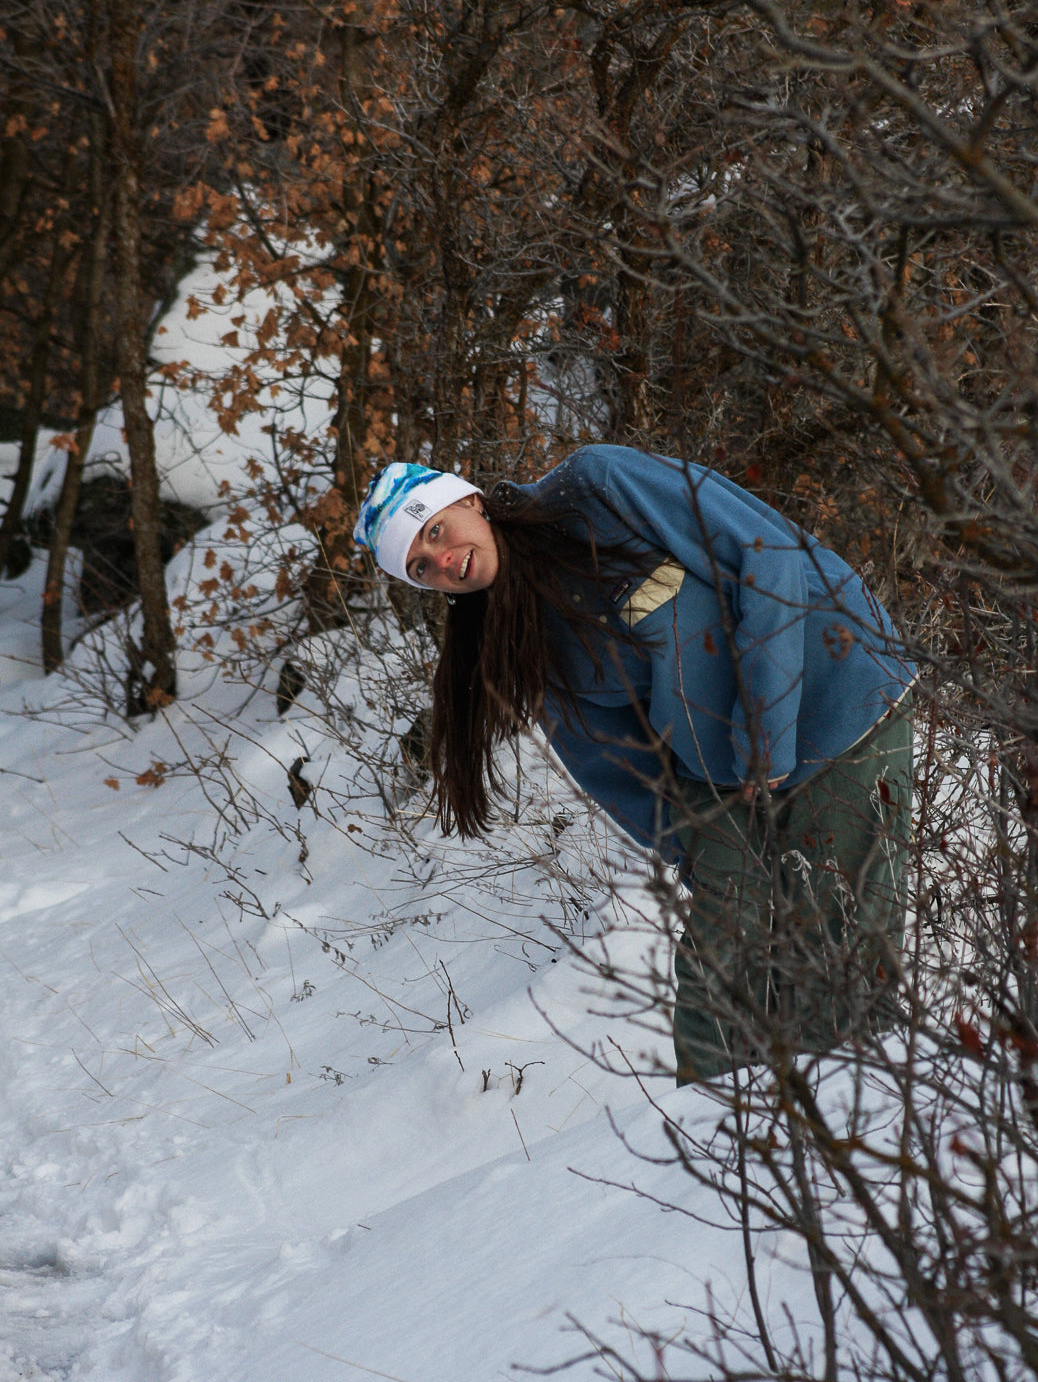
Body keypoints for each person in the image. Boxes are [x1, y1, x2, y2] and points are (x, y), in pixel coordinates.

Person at [354, 445, 916, 1083]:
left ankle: (849, 1121)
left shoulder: (597, 487)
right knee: (720, 962)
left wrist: (767, 731)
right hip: (720, 766)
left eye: (436, 532)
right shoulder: (517, 636)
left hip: (837, 688)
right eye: (422, 568)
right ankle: (717, 1138)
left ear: (470, 500)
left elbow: (767, 555)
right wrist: (693, 847)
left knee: (834, 939)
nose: (445, 561)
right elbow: (610, 760)